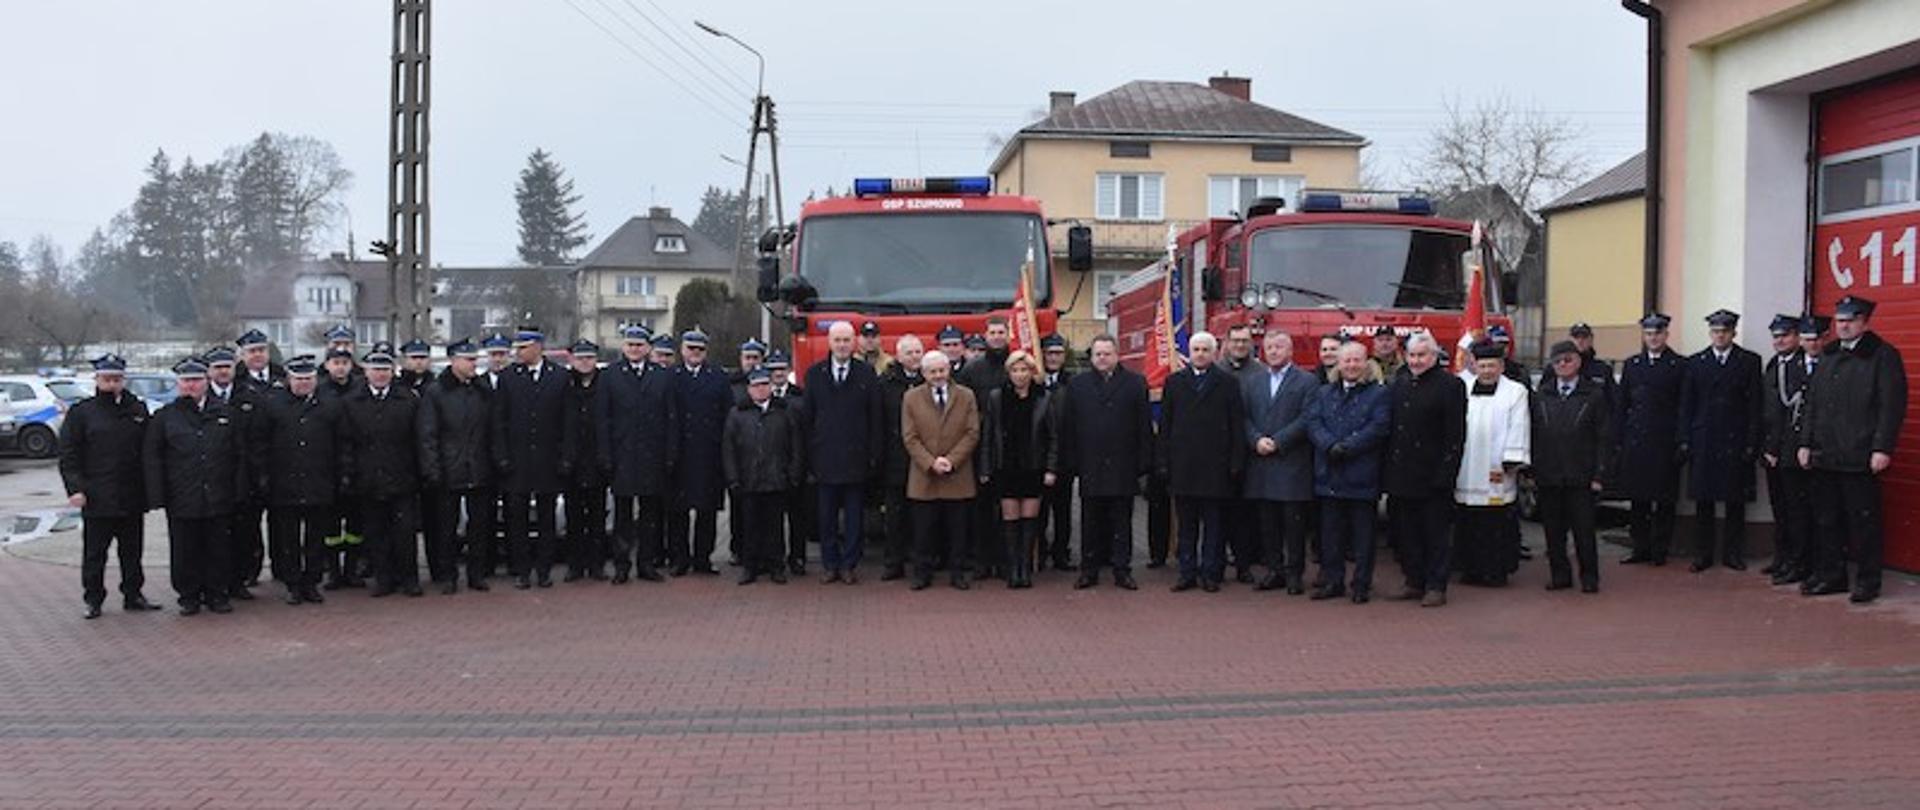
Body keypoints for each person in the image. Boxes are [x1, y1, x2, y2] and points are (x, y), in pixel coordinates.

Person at [1798, 295, 1907, 603]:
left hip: (1859, 453)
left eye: (1850, 319)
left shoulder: (1883, 356)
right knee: (1827, 519)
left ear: (1864, 321)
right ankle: (1832, 576)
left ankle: (1868, 581)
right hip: (1826, 453)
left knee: (1864, 521)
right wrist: (1806, 442)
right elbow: (1813, 405)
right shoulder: (1828, 355)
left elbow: (1891, 406)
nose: (1843, 325)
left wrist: (1882, 447)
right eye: (1840, 320)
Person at [59, 353, 162, 619]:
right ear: (97, 379)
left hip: (130, 496)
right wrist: (75, 489)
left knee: (132, 552)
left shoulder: (136, 409)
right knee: (95, 554)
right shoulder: (83, 413)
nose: (112, 383)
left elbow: (148, 452)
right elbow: (69, 455)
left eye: (117, 379)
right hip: (97, 496)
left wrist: (151, 491)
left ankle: (133, 594)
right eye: (107, 379)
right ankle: (93, 599)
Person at [144, 357, 248, 615]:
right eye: (186, 381)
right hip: (182, 495)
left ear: (207, 382)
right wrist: (157, 494)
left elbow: (239, 455)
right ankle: (188, 596)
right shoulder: (165, 417)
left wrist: (239, 489)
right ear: (178, 384)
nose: (191, 386)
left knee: (218, 548)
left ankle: (217, 594)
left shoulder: (225, 414)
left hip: (218, 493)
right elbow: (152, 457)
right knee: (184, 549)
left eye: (197, 380)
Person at [1058, 335, 1151, 591]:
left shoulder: (1135, 383)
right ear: (1092, 357)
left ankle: (1122, 569)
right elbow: (1069, 427)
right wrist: (1072, 462)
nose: (1102, 358)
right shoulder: (1078, 385)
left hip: (1124, 464)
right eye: (1098, 354)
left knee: (1122, 520)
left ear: (1116, 355)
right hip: (1090, 464)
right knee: (1090, 520)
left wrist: (1144, 462)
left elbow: (1143, 426)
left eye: (1107, 354)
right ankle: (1089, 570)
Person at [1157, 332, 1247, 593]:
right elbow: (1166, 425)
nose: (1200, 354)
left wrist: (1235, 462)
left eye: (1205, 350)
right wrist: (1163, 461)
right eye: (1195, 349)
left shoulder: (1228, 383)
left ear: (1215, 352)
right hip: (1184, 467)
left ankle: (1211, 572)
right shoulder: (1174, 382)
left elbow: (1236, 426)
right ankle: (1187, 572)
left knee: (1214, 525)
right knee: (1187, 526)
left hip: (1216, 467)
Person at [1381, 333, 1466, 607]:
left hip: (1432, 474)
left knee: (1435, 534)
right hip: (1401, 473)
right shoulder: (1399, 383)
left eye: (1422, 355)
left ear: (1434, 356)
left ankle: (1436, 585)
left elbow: (1455, 435)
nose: (1416, 361)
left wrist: (1446, 473)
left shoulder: (1450, 386)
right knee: (1406, 534)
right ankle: (1413, 581)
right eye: (1412, 355)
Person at [1306, 342, 1392, 603]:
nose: (1351, 366)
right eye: (1347, 361)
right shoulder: (1323, 393)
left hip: (1362, 474)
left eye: (1357, 360)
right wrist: (1329, 445)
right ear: (1339, 364)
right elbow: (1313, 422)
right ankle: (1333, 581)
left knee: (1363, 536)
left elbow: (1379, 427)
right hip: (1329, 473)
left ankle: (1361, 585)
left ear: (1366, 362)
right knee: (1330, 534)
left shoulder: (1379, 393)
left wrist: (1348, 446)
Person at [1679, 309, 1763, 572]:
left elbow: (1755, 406)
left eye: (1725, 331)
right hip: (1705, 439)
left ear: (1733, 333)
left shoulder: (1749, 361)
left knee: (1735, 501)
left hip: (1734, 439)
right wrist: (1685, 439)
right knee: (1704, 500)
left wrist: (1752, 441)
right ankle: (1703, 554)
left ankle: (1733, 553)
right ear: (1710, 333)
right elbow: (1687, 405)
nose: (1720, 336)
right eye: (1715, 331)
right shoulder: (1695, 363)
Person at [257, 355, 346, 605]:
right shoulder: (273, 405)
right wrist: (264, 476)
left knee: (316, 537)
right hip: (284, 483)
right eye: (298, 379)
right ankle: (293, 583)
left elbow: (341, 443)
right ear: (289, 379)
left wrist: (341, 475)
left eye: (308, 379)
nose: (304, 383)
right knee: (289, 539)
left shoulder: (330, 405)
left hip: (319, 481)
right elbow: (260, 443)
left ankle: (312, 582)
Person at [803, 321, 884, 584]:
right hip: (825, 459)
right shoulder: (815, 374)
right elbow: (808, 419)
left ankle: (849, 564)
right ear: (829, 342)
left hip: (856, 459)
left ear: (855, 343)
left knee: (854, 519)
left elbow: (875, 418)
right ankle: (830, 564)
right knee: (825, 519)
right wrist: (809, 457)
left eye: (846, 340)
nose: (841, 345)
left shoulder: (866, 374)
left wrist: (874, 454)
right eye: (837, 340)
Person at [339, 347, 424, 598]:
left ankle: (409, 579)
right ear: (366, 372)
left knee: (405, 533)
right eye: (376, 370)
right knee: (376, 533)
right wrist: (348, 473)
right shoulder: (351, 403)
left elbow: (417, 439)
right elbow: (346, 443)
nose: (380, 375)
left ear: (393, 372)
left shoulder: (408, 400)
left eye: (385, 370)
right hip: (368, 479)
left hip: (402, 477)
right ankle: (383, 579)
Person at [1241, 332, 1320, 595]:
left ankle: (1294, 573)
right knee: (1268, 523)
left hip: (1291, 462)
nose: (1273, 352)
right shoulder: (1254, 382)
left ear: (1290, 351)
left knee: (1294, 524)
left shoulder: (1307, 381)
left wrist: (1278, 441)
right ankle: (1274, 570)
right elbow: (1244, 417)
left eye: (1279, 347)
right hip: (1261, 463)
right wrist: (1256, 440)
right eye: (1269, 348)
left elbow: (1308, 417)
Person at [492, 327, 572, 589]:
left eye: (523, 347)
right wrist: (502, 456)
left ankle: (544, 570)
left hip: (548, 462)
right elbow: (499, 421)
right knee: (518, 520)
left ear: (538, 347)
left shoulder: (559, 377)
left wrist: (565, 457)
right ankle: (522, 570)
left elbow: (566, 423)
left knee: (547, 520)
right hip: (517, 462)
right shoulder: (508, 378)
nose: (518, 352)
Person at [598, 326, 677, 584]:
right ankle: (622, 565)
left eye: (639, 345)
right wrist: (606, 456)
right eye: (630, 344)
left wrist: (669, 454)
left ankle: (647, 563)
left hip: (652, 456)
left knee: (650, 515)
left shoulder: (662, 376)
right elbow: (604, 420)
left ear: (648, 348)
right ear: (623, 347)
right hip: (623, 456)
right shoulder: (610, 376)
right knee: (622, 515)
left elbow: (671, 418)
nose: (634, 349)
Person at [1531, 340, 1611, 594]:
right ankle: (1559, 575)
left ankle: (1589, 577)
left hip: (1581, 474)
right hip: (1549, 473)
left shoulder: (1594, 394)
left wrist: (1599, 473)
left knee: (1584, 531)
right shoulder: (1542, 394)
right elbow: (1533, 434)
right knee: (1553, 532)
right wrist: (1532, 470)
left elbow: (1604, 437)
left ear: (1578, 362)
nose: (1563, 365)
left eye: (1568, 360)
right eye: (1557, 361)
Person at [417, 338, 494, 593]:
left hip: (479, 467)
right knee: (446, 528)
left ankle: (477, 574)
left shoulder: (482, 390)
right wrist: (433, 469)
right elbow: (428, 434)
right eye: (469, 360)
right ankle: (447, 575)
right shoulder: (437, 392)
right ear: (453, 361)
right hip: (449, 469)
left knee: (479, 526)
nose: (474, 364)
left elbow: (491, 431)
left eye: (475, 359)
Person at [1454, 341, 1531, 587]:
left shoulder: (1515, 391)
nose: (1487, 371)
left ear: (1501, 366)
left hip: (1496, 464)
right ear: (1474, 365)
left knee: (1495, 519)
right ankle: (1470, 568)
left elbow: (1519, 424)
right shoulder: (1462, 387)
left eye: (1492, 366)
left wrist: (1512, 458)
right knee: (1468, 518)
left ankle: (1496, 569)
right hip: (1466, 466)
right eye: (1482, 365)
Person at [902, 351, 980, 590]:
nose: (938, 375)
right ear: (924, 373)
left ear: (949, 370)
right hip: (924, 475)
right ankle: (922, 574)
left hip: (957, 473)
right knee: (923, 531)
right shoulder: (911, 398)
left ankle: (957, 573)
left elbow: (972, 432)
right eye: (932, 371)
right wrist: (930, 462)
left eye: (942, 370)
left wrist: (952, 460)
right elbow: (910, 436)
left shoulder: (966, 396)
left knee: (958, 530)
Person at [979, 350, 1057, 589]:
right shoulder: (996, 397)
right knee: (1010, 520)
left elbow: (1053, 437)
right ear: (1009, 372)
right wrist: (985, 467)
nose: (1020, 375)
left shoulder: (1044, 398)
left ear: (1032, 372)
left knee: (1029, 520)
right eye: (1015, 370)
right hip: (1006, 468)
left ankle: (1025, 567)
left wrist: (1051, 468)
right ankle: (1013, 568)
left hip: (1033, 467)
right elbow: (988, 435)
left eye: (1024, 370)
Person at [1614, 313, 1684, 565]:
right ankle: (1640, 548)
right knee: (1638, 500)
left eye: (1658, 333)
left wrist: (1681, 440)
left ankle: (1660, 550)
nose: (1653, 338)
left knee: (1664, 500)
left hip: (1665, 442)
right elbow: (1622, 404)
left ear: (1666, 335)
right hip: (1637, 441)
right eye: (1649, 334)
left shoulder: (1678, 365)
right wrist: (1619, 437)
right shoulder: (1632, 364)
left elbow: (1683, 406)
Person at [723, 369, 805, 585]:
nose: (760, 389)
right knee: (750, 527)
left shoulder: (784, 412)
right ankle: (750, 567)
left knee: (775, 527)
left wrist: (794, 473)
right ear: (749, 389)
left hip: (776, 479)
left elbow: (796, 446)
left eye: (764, 385)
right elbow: (729, 449)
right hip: (748, 480)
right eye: (756, 386)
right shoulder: (737, 414)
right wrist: (733, 478)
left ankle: (776, 566)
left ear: (770, 387)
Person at [669, 328, 733, 576]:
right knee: (678, 512)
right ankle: (680, 559)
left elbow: (727, 415)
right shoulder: (670, 377)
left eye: (700, 349)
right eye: (690, 348)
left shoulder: (718, 377)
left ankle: (703, 558)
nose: (695, 353)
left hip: (708, 453)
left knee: (707, 511)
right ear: (682, 350)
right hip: (680, 453)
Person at [204, 345, 266, 602]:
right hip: (213, 479)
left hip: (245, 478)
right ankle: (214, 583)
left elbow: (261, 439)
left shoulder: (249, 396)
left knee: (244, 534)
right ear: (209, 371)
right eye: (217, 367)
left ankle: (239, 581)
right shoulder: (202, 398)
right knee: (215, 537)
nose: (222, 372)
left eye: (226, 367)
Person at [1759, 314, 1811, 586]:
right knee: (1779, 508)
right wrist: (1767, 447)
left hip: (1793, 451)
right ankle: (1782, 558)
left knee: (1797, 510)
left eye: (1785, 335)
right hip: (1773, 450)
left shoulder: (1804, 365)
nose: (1779, 341)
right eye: (1776, 336)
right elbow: (1769, 412)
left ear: (1796, 336)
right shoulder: (1772, 365)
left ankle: (1798, 562)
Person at [959, 316, 1012, 579]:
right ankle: (981, 561)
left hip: (1010, 448)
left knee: (1005, 508)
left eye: (1001, 331)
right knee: (980, 509)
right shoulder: (971, 370)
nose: (997, 336)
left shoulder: (1017, 366)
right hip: (980, 448)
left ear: (1008, 334)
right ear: (986, 335)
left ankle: (1004, 561)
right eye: (992, 332)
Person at [1783, 314, 1831, 588]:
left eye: (1816, 339)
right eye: (1806, 339)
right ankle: (1798, 564)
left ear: (1825, 338)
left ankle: (1821, 567)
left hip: (1824, 451)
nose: (1811, 344)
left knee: (1823, 513)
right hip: (1794, 449)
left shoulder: (1833, 364)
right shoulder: (1789, 366)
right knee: (1796, 512)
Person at [317, 346, 366, 589]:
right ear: (327, 365)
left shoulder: (360, 388)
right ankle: (334, 571)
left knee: (356, 525)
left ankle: (352, 569)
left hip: (358, 464)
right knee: (331, 526)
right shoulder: (320, 391)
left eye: (345, 362)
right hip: (328, 465)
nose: (340, 367)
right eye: (335, 362)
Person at [877, 336, 925, 580]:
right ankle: (893, 563)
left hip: (924, 460)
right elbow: (878, 423)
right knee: (895, 516)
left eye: (918, 351)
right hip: (894, 459)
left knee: (921, 515)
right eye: (909, 352)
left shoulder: (931, 379)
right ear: (898, 355)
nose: (914, 356)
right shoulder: (885, 383)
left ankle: (921, 562)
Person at [766, 349, 811, 574]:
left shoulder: (800, 396)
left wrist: (801, 465)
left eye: (781, 369)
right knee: (772, 519)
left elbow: (807, 433)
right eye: (773, 370)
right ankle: (775, 559)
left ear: (789, 371)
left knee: (798, 518)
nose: (778, 374)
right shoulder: (763, 398)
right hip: (770, 467)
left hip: (796, 464)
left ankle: (798, 558)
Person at [1037, 333, 1076, 571]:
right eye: (1049, 353)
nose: (1053, 357)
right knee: (1039, 511)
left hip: (1065, 457)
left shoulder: (1073, 383)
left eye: (1058, 353)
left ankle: (1061, 553)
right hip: (1039, 458)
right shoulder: (1034, 382)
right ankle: (1039, 552)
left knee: (1063, 511)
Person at [1568, 322, 1617, 409]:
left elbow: (1614, 401)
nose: (1580, 341)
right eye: (1576, 337)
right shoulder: (1559, 368)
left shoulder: (1602, 369)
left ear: (1591, 340)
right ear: (1570, 339)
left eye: (1584, 337)